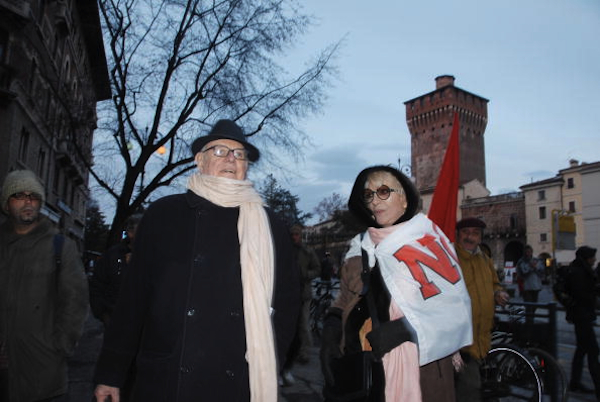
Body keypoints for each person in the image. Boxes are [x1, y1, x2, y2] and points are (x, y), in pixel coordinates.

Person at [93, 119, 300, 402]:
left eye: (239, 154)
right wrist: (111, 372)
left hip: (239, 378)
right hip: (168, 376)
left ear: (246, 166)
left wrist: (269, 358)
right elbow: (133, 300)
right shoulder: (164, 215)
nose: (231, 158)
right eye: (220, 151)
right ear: (199, 161)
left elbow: (288, 304)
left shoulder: (271, 226)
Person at [320, 165, 473, 401]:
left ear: (404, 199)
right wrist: (331, 331)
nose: (374, 201)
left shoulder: (427, 243)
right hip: (362, 366)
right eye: (368, 194)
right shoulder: (359, 247)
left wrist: (404, 330)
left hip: (422, 367)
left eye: (383, 191)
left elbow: (453, 307)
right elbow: (345, 297)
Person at [0, 169, 89, 401]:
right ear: (7, 204)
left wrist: (57, 347)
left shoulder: (60, 247)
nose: (28, 201)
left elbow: (75, 303)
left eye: (34, 196)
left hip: (42, 374)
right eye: (19, 195)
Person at [454, 217, 510, 402]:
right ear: (458, 234)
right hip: (460, 339)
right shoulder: (450, 258)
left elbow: (495, 283)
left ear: (480, 238)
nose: (470, 237)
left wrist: (498, 292)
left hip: (482, 336)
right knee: (470, 387)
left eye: (475, 233)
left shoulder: (485, 259)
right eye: (465, 232)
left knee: (474, 386)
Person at [280, 224, 320, 385]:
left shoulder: (307, 251)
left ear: (300, 235)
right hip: (288, 294)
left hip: (303, 294)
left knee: (303, 325)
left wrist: (306, 275)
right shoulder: (285, 251)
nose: (294, 237)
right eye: (292, 235)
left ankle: (303, 353)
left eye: (297, 234)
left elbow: (317, 268)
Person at [90, 213, 143, 328]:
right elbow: (97, 285)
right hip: (115, 322)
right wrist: (103, 314)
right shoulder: (112, 255)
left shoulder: (153, 256)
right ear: (130, 233)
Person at [565, 245, 600, 397]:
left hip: (581, 315)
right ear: (586, 258)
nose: (594, 260)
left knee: (581, 350)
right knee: (593, 350)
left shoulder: (581, 270)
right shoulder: (580, 272)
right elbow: (583, 295)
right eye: (592, 257)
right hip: (582, 316)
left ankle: (575, 382)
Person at [516, 244, 545, 323]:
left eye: (529, 251)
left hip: (536, 286)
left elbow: (541, 270)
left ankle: (531, 319)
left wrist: (535, 267)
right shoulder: (521, 262)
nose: (528, 253)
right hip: (526, 287)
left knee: (535, 304)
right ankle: (529, 321)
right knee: (529, 305)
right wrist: (530, 267)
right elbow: (522, 273)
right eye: (527, 252)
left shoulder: (536, 260)